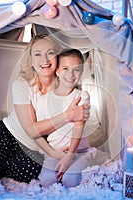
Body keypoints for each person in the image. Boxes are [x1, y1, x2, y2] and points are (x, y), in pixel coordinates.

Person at [0, 34, 90, 183]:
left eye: (50, 53)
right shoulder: (21, 85)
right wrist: (68, 115)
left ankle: (5, 164)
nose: (45, 60)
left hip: (37, 147)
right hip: (10, 134)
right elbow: (32, 130)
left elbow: (77, 120)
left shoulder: (66, 83)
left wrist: (64, 151)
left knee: (27, 175)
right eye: (38, 54)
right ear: (31, 60)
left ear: (58, 60)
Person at [37, 49, 96, 187]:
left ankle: (86, 163)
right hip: (55, 152)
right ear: (57, 71)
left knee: (70, 180)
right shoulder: (43, 100)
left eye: (76, 70)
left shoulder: (82, 96)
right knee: (47, 180)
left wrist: (69, 156)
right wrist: (55, 153)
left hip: (79, 151)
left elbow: (78, 126)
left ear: (81, 73)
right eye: (65, 68)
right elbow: (42, 130)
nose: (70, 74)